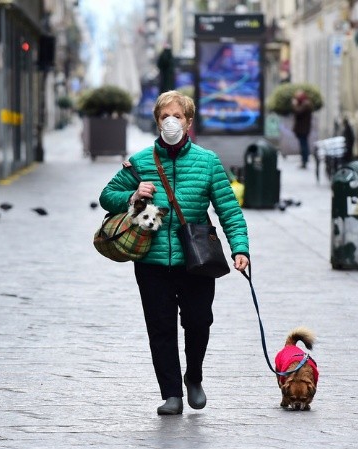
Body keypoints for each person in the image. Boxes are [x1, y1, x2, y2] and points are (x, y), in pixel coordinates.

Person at [99, 90, 250, 416]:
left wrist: (240, 248)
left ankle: (193, 376)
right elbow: (106, 196)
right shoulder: (139, 162)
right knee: (161, 328)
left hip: (197, 260)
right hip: (151, 262)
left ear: (189, 121)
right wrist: (132, 194)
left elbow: (229, 210)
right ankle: (171, 395)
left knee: (199, 321)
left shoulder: (207, 162)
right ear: (157, 121)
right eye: (165, 116)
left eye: (177, 116)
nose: (171, 122)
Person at [291, 90, 313, 169]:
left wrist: (294, 105)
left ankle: (304, 161)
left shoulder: (305, 104)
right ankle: (304, 160)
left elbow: (298, 112)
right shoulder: (305, 103)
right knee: (303, 144)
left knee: (303, 145)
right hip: (303, 129)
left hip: (303, 129)